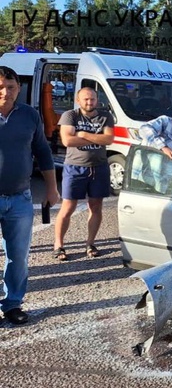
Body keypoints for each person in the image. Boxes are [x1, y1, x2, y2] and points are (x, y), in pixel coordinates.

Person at [0, 66, 60, 325]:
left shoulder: (30, 115)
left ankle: (12, 304)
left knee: (18, 257)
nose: (5, 92)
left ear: (19, 88)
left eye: (10, 87)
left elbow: (43, 152)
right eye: (0, 87)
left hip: (20, 198)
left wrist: (52, 188)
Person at [53, 87, 114, 261]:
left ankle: (90, 243)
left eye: (93, 99)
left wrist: (84, 133)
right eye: (86, 99)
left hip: (99, 167)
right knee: (68, 208)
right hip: (75, 167)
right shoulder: (70, 115)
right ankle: (59, 245)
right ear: (78, 100)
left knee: (95, 207)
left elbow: (109, 139)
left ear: (97, 100)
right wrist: (97, 136)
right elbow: (67, 140)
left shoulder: (105, 116)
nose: (89, 102)